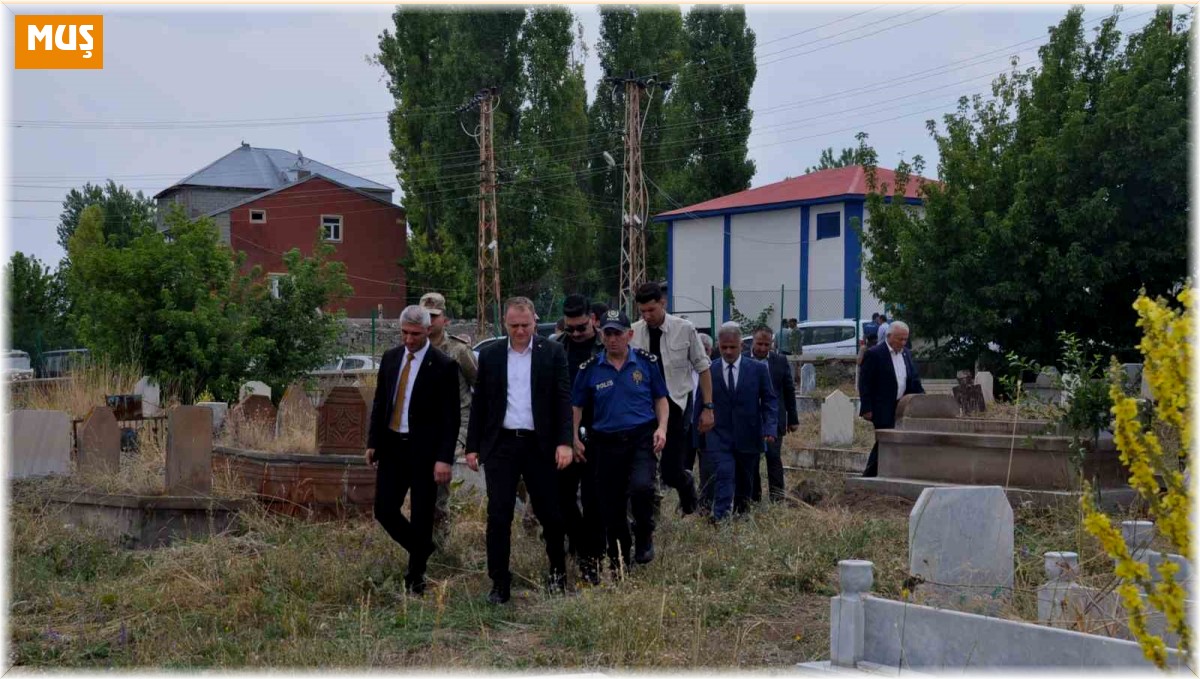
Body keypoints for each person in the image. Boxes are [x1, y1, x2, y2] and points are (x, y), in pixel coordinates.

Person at [466, 297, 574, 604]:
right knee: (498, 515)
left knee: (550, 514)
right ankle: (499, 583)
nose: (520, 331)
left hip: (540, 444)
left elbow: (563, 400)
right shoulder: (489, 355)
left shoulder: (552, 353)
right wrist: (472, 446)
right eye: (514, 325)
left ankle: (557, 574)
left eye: (525, 325)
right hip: (501, 444)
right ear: (505, 323)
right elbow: (480, 404)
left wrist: (565, 442)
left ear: (535, 322)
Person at [365, 305, 462, 595]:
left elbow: (451, 418)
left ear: (428, 330)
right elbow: (381, 402)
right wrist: (373, 442)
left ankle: (415, 576)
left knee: (422, 513)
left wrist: (444, 458)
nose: (409, 339)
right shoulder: (391, 358)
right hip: (393, 445)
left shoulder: (443, 365)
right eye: (404, 333)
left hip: (425, 451)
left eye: (415, 334)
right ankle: (423, 547)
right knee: (384, 509)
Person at [572, 309, 669, 570]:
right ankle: (620, 561)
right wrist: (574, 437)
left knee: (642, 488)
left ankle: (645, 533)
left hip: (640, 438)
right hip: (605, 443)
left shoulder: (646, 362)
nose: (612, 339)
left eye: (617, 333)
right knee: (611, 507)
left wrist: (662, 428)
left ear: (630, 334)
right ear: (601, 334)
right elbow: (577, 406)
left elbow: (661, 398)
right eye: (607, 333)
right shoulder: (590, 369)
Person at [631, 282, 713, 516]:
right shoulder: (633, 332)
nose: (647, 316)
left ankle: (686, 487)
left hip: (676, 403)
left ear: (663, 304)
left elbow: (703, 368)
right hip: (644, 406)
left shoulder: (684, 328)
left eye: (651, 310)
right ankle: (648, 511)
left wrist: (708, 407)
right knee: (643, 465)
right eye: (642, 311)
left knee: (670, 471)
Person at [698, 323, 778, 520]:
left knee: (745, 480)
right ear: (718, 345)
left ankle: (741, 514)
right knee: (724, 473)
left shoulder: (758, 369)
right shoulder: (709, 371)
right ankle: (720, 517)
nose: (728, 351)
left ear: (741, 345)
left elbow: (769, 400)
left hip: (748, 434)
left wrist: (770, 427)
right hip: (719, 434)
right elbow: (700, 402)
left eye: (732, 347)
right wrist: (697, 436)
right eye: (724, 347)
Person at [553, 293, 605, 583]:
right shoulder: (556, 347)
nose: (575, 333)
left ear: (593, 320)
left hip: (601, 431)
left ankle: (592, 562)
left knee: (595, 501)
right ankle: (581, 543)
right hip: (564, 434)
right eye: (569, 328)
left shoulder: (607, 344)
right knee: (562, 498)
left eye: (581, 328)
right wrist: (568, 437)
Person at [420, 291, 478, 543]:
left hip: (457, 423)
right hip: (424, 425)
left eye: (434, 316)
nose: (429, 321)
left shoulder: (458, 350)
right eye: (425, 316)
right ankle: (426, 536)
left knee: (438, 478)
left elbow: (478, 384)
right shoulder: (414, 348)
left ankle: (439, 541)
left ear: (445, 320)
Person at [859, 320, 924, 478]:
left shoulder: (906, 353)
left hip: (902, 406)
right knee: (884, 442)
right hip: (882, 407)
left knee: (898, 440)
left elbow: (913, 379)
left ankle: (890, 473)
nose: (903, 343)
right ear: (889, 336)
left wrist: (923, 401)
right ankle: (868, 476)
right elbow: (865, 383)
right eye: (899, 339)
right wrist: (866, 408)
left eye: (905, 339)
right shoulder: (874, 354)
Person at [745, 325, 799, 503]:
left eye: (766, 344)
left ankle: (777, 498)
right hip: (750, 419)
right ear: (753, 341)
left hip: (774, 418)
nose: (762, 348)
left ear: (772, 344)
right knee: (752, 460)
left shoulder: (780, 361)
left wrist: (793, 418)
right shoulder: (743, 360)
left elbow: (789, 390)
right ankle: (754, 497)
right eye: (759, 343)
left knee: (773, 458)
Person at [691, 332, 716, 513]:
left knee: (707, 468)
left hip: (706, 427)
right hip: (685, 427)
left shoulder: (713, 371)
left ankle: (705, 505)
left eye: (705, 350)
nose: (701, 354)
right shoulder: (684, 371)